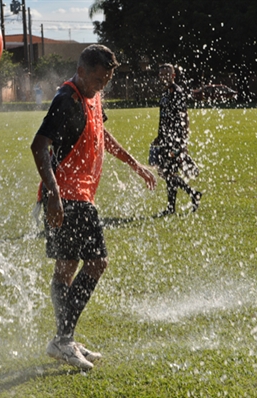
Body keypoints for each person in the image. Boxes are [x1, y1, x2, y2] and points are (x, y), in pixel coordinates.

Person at [31, 45, 156, 370]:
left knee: (66, 267)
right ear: (82, 71)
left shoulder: (92, 96)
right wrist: (55, 195)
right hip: (68, 196)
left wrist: (135, 164)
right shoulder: (66, 100)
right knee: (97, 262)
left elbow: (101, 133)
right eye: (97, 79)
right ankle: (63, 339)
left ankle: (65, 339)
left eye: (106, 80)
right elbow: (39, 145)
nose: (101, 85)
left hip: (78, 195)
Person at [149, 63, 202, 215]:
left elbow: (184, 117)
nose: (164, 77)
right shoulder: (165, 94)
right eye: (162, 74)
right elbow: (163, 118)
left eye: (167, 74)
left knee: (169, 173)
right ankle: (182, 201)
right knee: (168, 173)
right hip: (166, 139)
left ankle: (189, 196)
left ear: (173, 76)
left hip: (175, 140)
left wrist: (182, 142)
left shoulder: (177, 93)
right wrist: (159, 136)